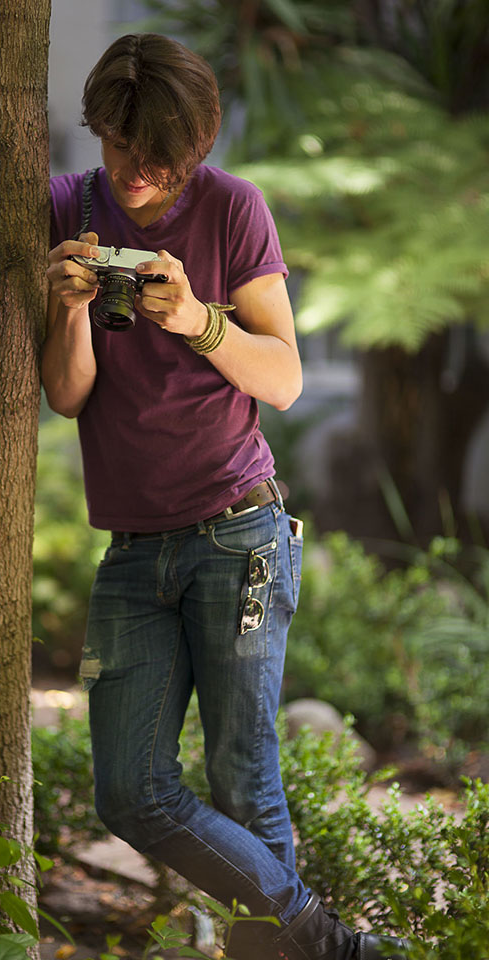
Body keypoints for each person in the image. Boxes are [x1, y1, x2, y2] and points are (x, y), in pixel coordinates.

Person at [42, 33, 412, 960]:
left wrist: (197, 319)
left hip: (237, 533)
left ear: (198, 143)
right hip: (132, 548)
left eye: (161, 154)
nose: (139, 170)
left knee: (245, 782)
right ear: (100, 131)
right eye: (121, 145)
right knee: (129, 791)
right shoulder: (68, 207)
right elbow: (68, 395)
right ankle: (327, 944)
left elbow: (283, 377)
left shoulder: (233, 209)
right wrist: (71, 305)